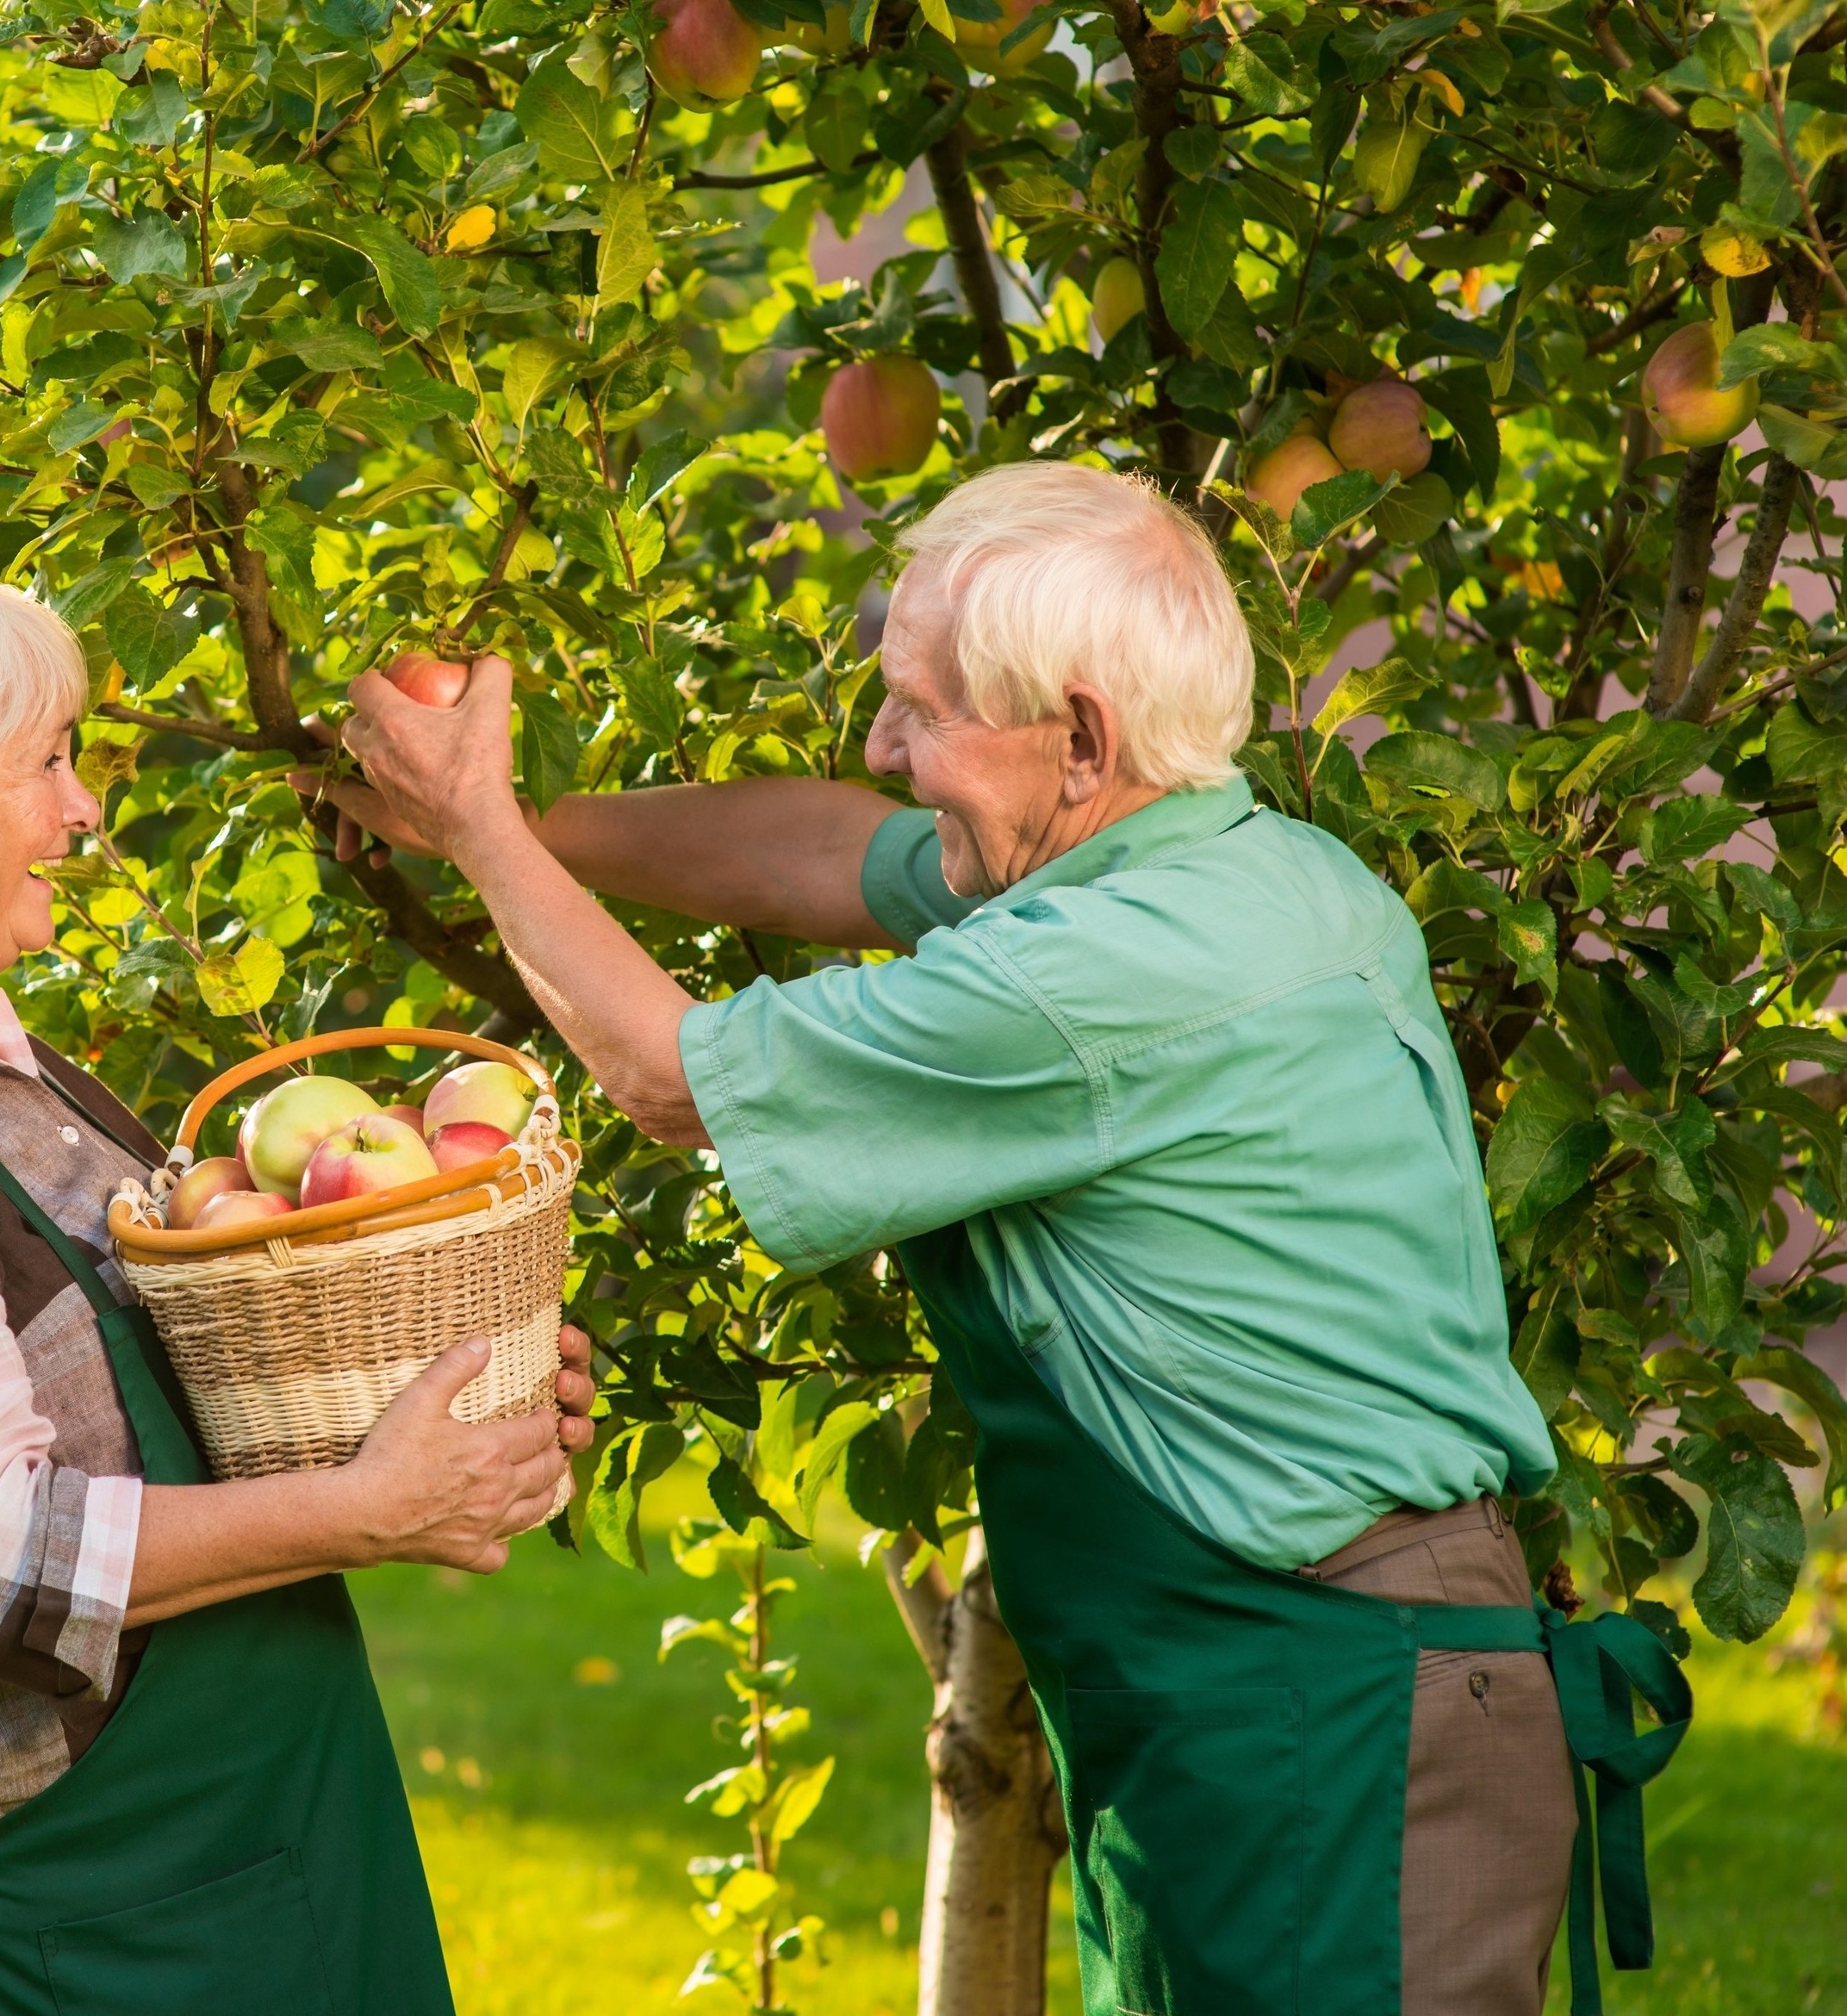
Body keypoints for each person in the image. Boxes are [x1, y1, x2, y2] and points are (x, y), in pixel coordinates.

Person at [325, 463, 1675, 2016]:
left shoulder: (1089, 982)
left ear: (1081, 735)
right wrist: (511, 819)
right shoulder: (1240, 870)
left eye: (922, 708)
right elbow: (831, 849)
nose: (887, 746)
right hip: (1272, 1691)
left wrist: (483, 830)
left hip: (1324, 1709)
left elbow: (663, 1074)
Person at [0, 551, 591, 2016]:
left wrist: (452, 1403)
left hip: (239, 1852)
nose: (84, 806)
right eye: (47, 763)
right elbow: (0, 1563)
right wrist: (370, 1508)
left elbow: (176, 1402)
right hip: (54, 1911)